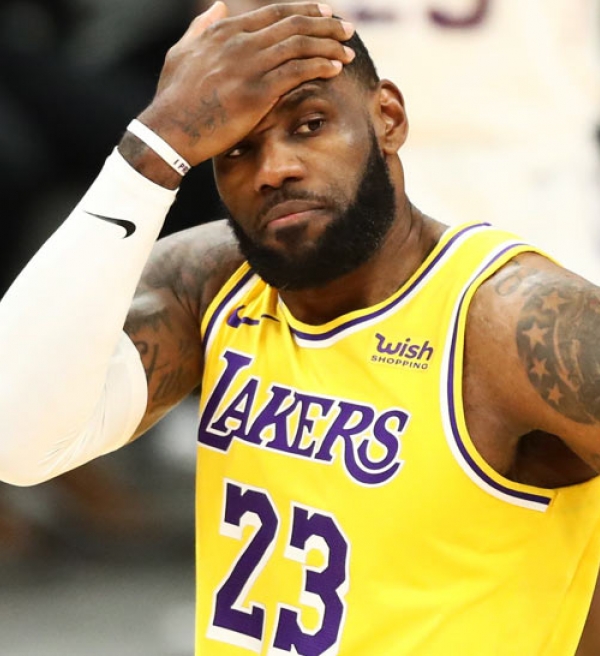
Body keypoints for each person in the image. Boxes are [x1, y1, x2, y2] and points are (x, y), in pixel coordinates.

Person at [1, 1, 600, 653]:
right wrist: (150, 150)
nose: (274, 169)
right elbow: (16, 442)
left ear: (389, 117)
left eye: (309, 125)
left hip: (537, 173)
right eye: (236, 149)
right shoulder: (209, 285)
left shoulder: (523, 325)